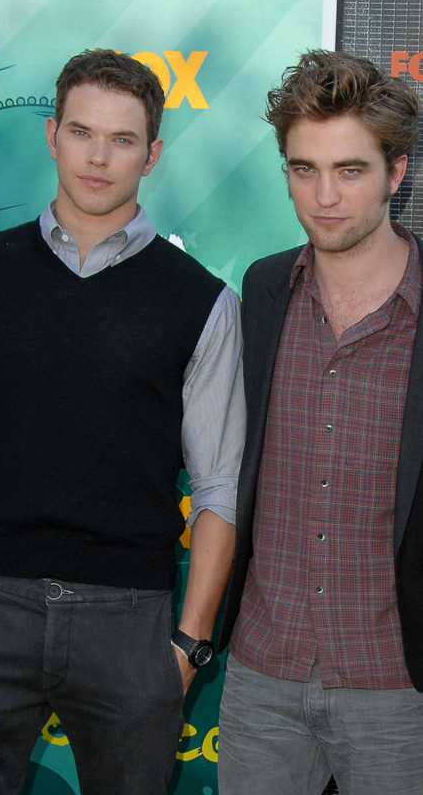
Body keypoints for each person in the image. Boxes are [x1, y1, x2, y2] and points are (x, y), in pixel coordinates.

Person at [0, 48, 245, 795]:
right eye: (81, 132)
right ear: (52, 136)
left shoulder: (203, 302)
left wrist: (189, 643)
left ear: (152, 155)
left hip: (130, 625)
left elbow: (219, 484)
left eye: (123, 139)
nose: (99, 158)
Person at [217, 49, 423, 795]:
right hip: (262, 678)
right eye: (303, 169)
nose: (324, 196)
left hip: (399, 687)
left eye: (350, 170)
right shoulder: (265, 288)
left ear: (397, 172)